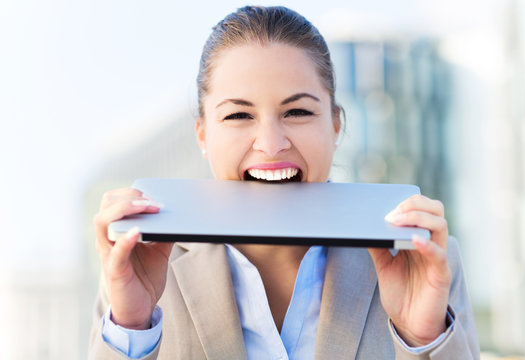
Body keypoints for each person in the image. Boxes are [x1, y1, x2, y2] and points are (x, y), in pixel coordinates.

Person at [89, 5, 480, 360]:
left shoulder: (420, 259)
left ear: (336, 125)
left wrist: (422, 338)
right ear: (203, 136)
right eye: (239, 116)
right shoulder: (142, 263)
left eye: (297, 111)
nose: (272, 144)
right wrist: (132, 328)